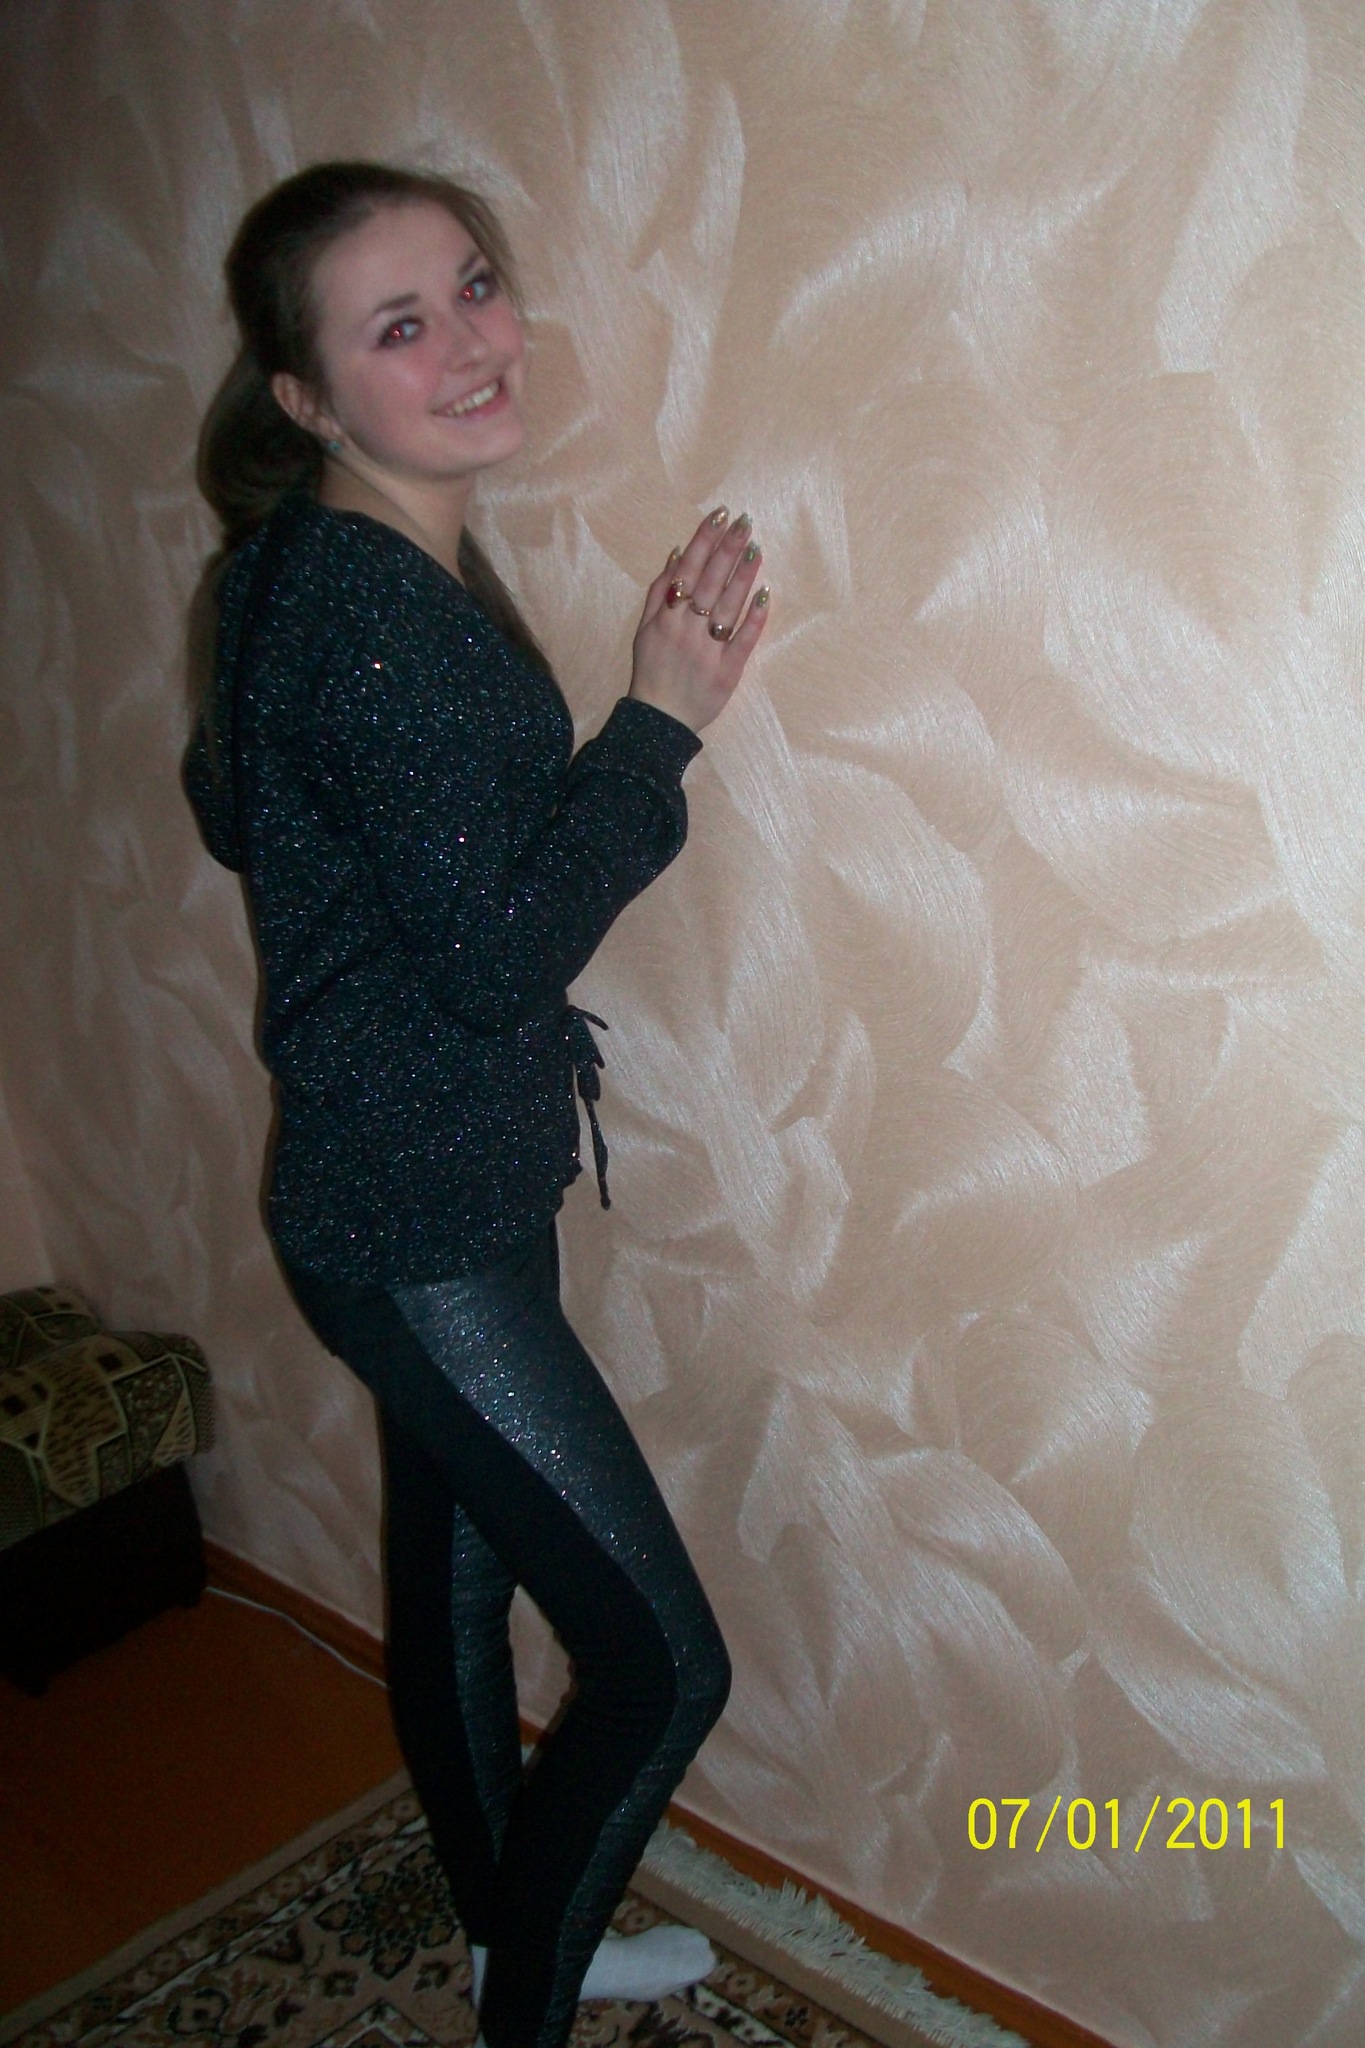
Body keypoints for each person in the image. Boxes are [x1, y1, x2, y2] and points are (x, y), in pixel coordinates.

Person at [183, 161, 770, 2048]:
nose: (468, 342)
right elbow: (500, 957)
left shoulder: (294, 569)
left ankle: (514, 1939)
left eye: (473, 285)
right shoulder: (375, 614)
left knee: (452, 1591)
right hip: (417, 1223)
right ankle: (525, 2006)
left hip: (415, 1185)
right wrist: (660, 717)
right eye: (397, 325)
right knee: (661, 1667)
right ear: (306, 395)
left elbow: (232, 805)